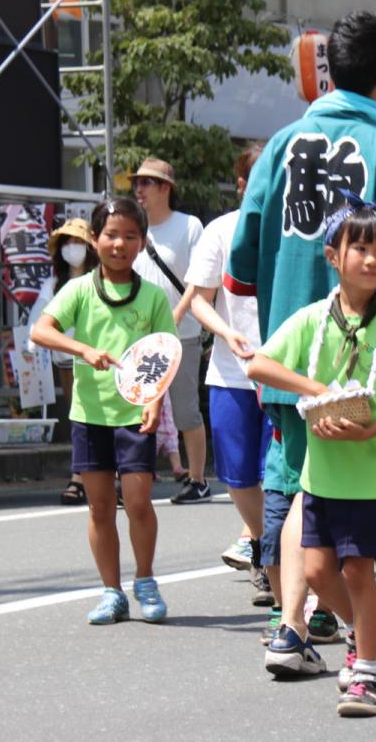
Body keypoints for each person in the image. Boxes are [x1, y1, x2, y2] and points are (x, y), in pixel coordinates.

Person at [226, 11, 376, 660]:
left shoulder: (281, 146)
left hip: (297, 344)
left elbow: (242, 267)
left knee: (301, 483)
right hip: (370, 353)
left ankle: (291, 625)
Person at [247, 201, 376, 717]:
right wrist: (319, 391)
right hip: (322, 474)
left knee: (356, 570)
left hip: (373, 475)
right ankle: (366, 632)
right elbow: (260, 364)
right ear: (334, 255)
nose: (372, 259)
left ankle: (369, 674)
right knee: (315, 569)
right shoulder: (311, 319)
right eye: (360, 247)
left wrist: (372, 428)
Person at [30, 198, 176, 624]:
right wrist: (82, 348)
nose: (120, 243)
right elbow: (42, 330)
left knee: (138, 502)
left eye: (130, 236)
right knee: (98, 507)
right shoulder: (77, 290)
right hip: (90, 414)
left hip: (134, 415)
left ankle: (145, 579)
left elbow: (164, 355)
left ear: (142, 242)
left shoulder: (152, 297)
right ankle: (111, 592)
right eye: (111, 235)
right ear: (95, 240)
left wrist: (153, 401)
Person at [176, 144, 279, 607]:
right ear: (241, 183)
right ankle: (262, 546)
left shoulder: (297, 228)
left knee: (277, 476)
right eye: (257, 175)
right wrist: (227, 332)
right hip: (230, 371)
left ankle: (277, 563)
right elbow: (199, 297)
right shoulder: (220, 230)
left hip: (283, 372)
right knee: (238, 477)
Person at [131, 157, 211, 503]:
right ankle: (135, 478)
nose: (138, 189)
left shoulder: (189, 226)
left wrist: (178, 313)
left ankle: (197, 479)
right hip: (139, 336)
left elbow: (200, 278)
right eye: (136, 183)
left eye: (146, 183)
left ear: (166, 188)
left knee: (185, 409)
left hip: (183, 334)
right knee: (138, 409)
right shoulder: (133, 227)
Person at [24, 217, 98, 505]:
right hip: (65, 359)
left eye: (78, 241)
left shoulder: (99, 278)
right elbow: (39, 315)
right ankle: (80, 476)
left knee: (99, 418)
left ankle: (95, 475)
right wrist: (32, 341)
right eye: (67, 242)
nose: (72, 248)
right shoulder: (54, 283)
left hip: (97, 358)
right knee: (78, 418)